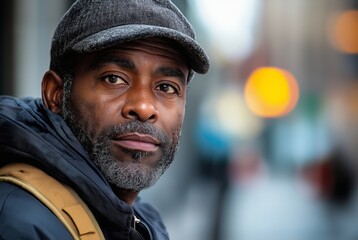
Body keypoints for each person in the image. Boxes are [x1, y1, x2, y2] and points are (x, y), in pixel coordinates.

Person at [0, 0, 209, 239]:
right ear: (55, 94)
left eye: (166, 87)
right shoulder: (18, 223)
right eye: (113, 79)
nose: (143, 107)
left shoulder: (143, 220)